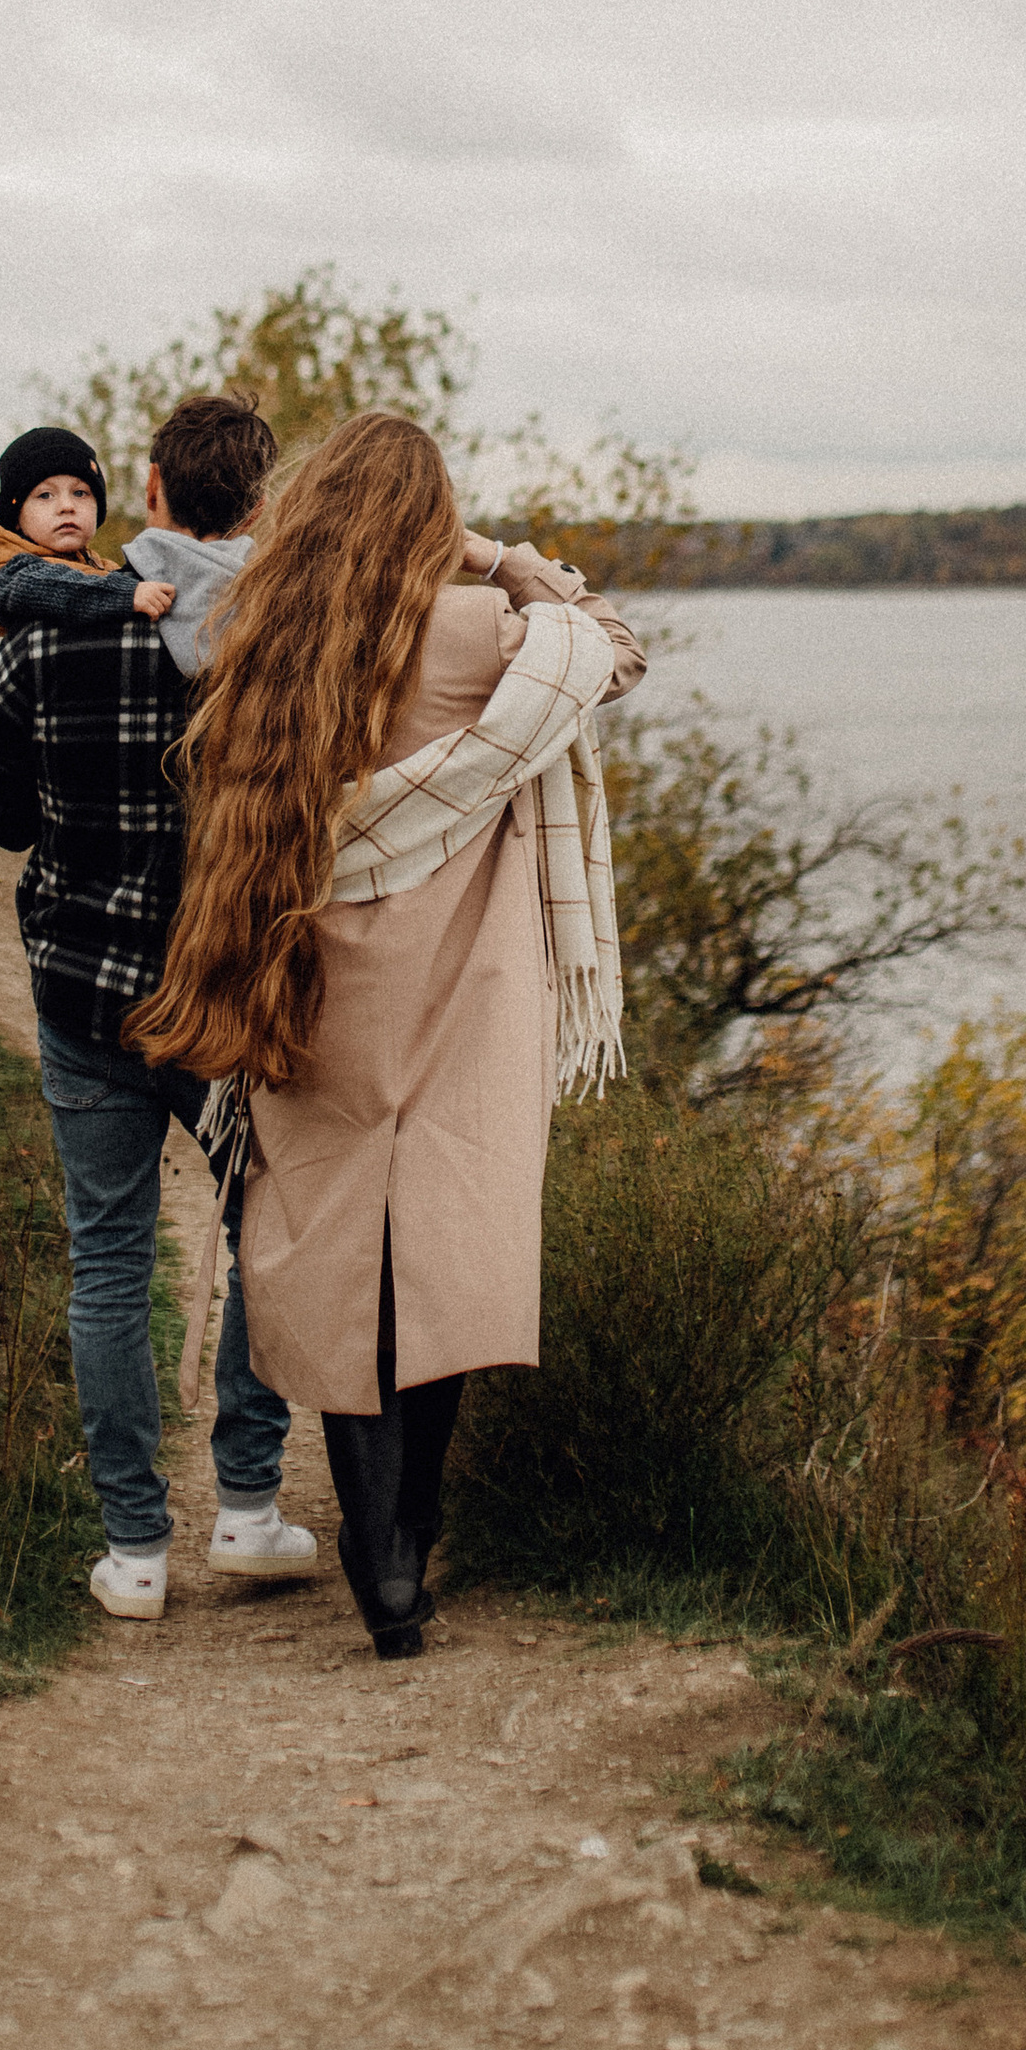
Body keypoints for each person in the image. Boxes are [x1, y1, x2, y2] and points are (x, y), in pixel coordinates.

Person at [126, 411, 644, 1659]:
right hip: (460, 994)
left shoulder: (262, 634)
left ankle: (371, 1541)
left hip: (308, 981)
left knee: (344, 1242)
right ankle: (408, 1536)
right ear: (427, 519)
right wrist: (502, 556)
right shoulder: (471, 630)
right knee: (448, 1248)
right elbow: (610, 653)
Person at [0, 389, 310, 1621]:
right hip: (229, 996)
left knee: (106, 1260)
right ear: (259, 505)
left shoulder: (40, 631)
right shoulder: (281, 636)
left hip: (87, 990)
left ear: (146, 491)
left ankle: (136, 1552)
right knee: (265, 1234)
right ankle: (251, 1509)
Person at [0, 425, 174, 645]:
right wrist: (127, 595)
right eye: (45, 495)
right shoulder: (8, 571)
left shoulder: (98, 566)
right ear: (16, 517)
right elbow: (48, 589)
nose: (67, 506)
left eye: (80, 493)